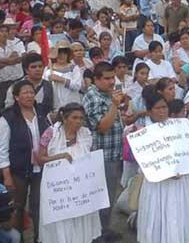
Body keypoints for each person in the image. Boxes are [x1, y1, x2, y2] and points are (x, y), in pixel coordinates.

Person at [135, 93, 189, 243]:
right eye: (157, 108)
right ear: (149, 110)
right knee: (158, 218)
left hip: (180, 182)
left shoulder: (180, 126)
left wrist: (183, 168)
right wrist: (165, 172)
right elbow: (143, 163)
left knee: (179, 216)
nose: (162, 111)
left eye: (164, 107)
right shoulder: (142, 132)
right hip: (157, 185)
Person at [37, 102, 102, 243]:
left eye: (81, 118)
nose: (78, 121)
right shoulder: (51, 133)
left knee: (80, 219)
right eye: (74, 118)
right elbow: (39, 159)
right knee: (62, 221)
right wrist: (60, 156)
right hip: (59, 189)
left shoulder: (85, 134)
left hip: (80, 188)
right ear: (65, 118)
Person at [0, 80, 51, 242]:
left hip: (40, 168)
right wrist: (6, 175)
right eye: (25, 93)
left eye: (31, 92)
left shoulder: (42, 113)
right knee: (17, 207)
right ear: (16, 97)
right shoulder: (7, 117)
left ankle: (39, 238)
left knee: (39, 205)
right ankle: (17, 238)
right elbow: (2, 149)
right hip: (18, 169)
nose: (29, 95)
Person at [80, 62, 125, 241]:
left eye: (112, 77)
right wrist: (115, 105)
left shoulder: (107, 94)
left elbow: (113, 121)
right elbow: (103, 127)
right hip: (101, 155)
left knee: (109, 195)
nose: (111, 82)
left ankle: (104, 229)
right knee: (100, 197)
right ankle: (97, 234)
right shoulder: (92, 96)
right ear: (96, 80)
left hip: (114, 153)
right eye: (106, 78)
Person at [0, 24, 25, 115]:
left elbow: (19, 59)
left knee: (18, 108)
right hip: (0, 82)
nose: (4, 33)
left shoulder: (15, 43)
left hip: (16, 80)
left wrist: (1, 60)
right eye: (1, 31)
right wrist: (10, 60)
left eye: (6, 31)